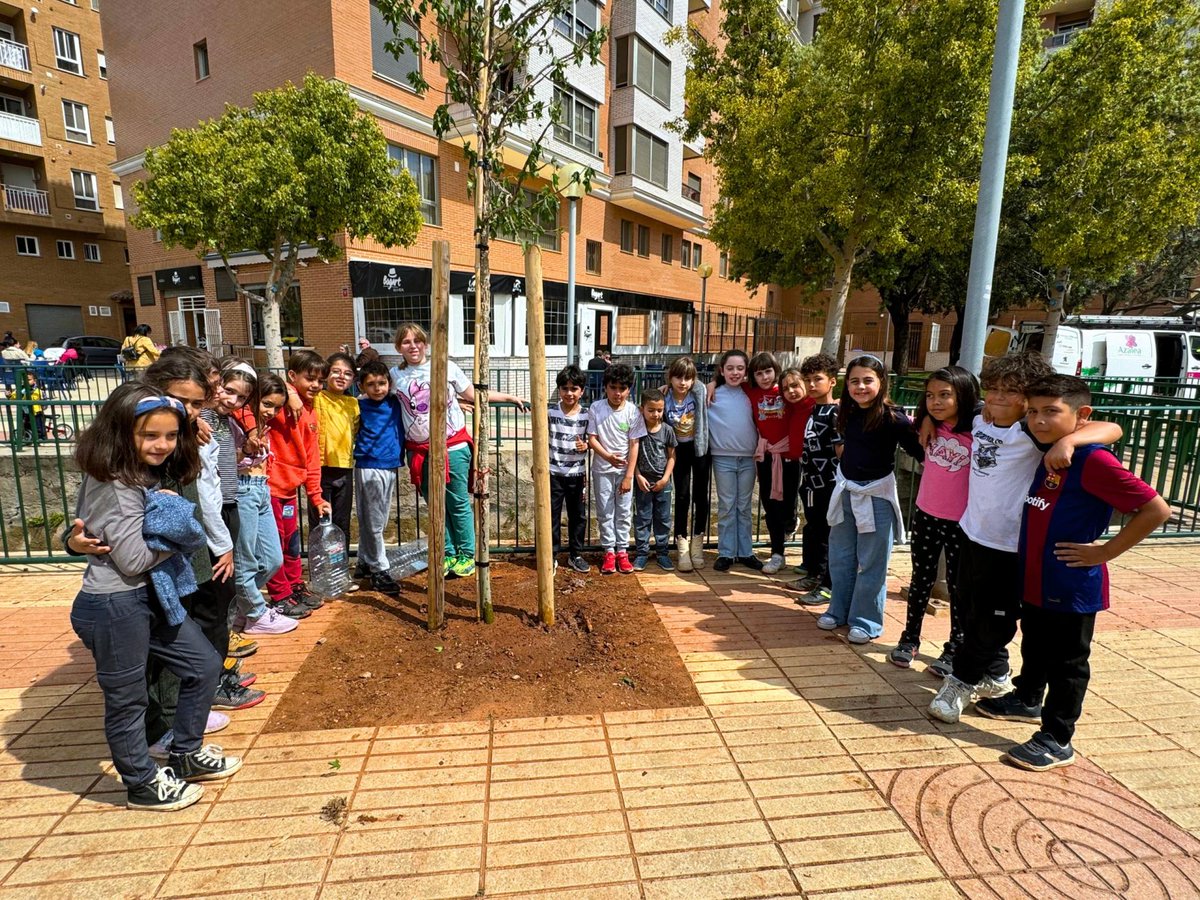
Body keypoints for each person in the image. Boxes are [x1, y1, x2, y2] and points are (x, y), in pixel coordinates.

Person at [976, 376, 1169, 770]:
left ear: (1081, 416)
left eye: (1051, 412)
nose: (1039, 420)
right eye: (1033, 411)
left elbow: (1156, 509)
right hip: (1035, 577)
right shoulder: (1047, 450)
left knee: (1068, 662)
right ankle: (1027, 698)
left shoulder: (1093, 460)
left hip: (1071, 583)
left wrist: (1106, 551)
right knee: (1035, 644)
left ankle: (1058, 738)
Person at [69, 382, 240, 811]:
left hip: (152, 597)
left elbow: (84, 529)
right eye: (150, 435)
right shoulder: (113, 481)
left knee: (203, 665)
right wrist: (183, 532)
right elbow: (131, 558)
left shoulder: (138, 474)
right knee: (128, 699)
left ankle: (184, 752)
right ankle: (141, 782)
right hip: (115, 604)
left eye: (169, 435)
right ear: (121, 432)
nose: (162, 445)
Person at [929, 353, 1124, 724]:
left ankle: (962, 680)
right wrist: (926, 418)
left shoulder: (1032, 432)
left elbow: (1111, 427)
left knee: (993, 620)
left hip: (1011, 545)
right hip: (974, 534)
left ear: (1027, 399)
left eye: (1010, 392)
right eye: (994, 390)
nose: (998, 398)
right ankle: (996, 675)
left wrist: (1069, 443)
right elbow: (944, 410)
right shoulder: (981, 419)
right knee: (970, 611)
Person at [391, 323, 527, 577]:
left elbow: (473, 394)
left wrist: (509, 397)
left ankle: (466, 553)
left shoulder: (446, 367)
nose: (413, 346)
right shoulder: (394, 376)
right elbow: (374, 395)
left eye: (417, 341)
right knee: (435, 505)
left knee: (457, 502)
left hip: (452, 446)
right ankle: (447, 553)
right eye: (407, 342)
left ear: (426, 344)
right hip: (419, 451)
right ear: (399, 347)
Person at [816, 355, 924, 644]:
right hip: (847, 492)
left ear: (881, 382)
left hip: (876, 495)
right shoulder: (846, 413)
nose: (861, 386)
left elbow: (921, 451)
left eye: (868, 380)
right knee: (841, 557)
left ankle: (866, 620)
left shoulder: (895, 418)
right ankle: (838, 610)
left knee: (872, 562)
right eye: (854, 381)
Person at [889, 366, 979, 673]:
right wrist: (926, 418)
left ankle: (955, 647)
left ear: (963, 395)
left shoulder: (979, 430)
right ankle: (909, 637)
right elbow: (898, 417)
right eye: (930, 396)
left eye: (944, 395)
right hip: (927, 515)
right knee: (921, 579)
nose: (935, 402)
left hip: (961, 522)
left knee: (958, 586)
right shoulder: (927, 427)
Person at [267, 350, 332, 615]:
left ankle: (294, 585)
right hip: (270, 487)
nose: (315, 385)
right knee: (274, 545)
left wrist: (315, 495)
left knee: (291, 543)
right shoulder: (281, 404)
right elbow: (259, 385)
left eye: (320, 380)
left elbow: (312, 457)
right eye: (310, 379)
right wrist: (289, 392)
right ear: (293, 377)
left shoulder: (312, 411)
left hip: (290, 491)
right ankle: (279, 594)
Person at [231, 373, 292, 634]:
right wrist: (245, 449)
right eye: (267, 404)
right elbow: (224, 462)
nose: (272, 411)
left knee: (271, 561)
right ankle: (255, 613)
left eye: (277, 407)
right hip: (243, 490)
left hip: (261, 488)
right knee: (245, 560)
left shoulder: (261, 427)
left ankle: (238, 609)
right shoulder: (235, 422)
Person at [787, 354, 840, 604]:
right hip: (809, 483)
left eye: (817, 379)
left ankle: (829, 584)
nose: (811, 384)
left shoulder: (836, 413)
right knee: (816, 529)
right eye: (807, 379)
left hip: (829, 485)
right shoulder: (813, 410)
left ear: (832, 382)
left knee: (829, 534)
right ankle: (815, 573)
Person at [588, 362, 645, 575]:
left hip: (624, 473)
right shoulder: (596, 408)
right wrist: (608, 457)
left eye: (623, 388)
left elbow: (634, 444)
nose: (617, 393)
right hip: (602, 469)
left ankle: (623, 550)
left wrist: (629, 475)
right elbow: (592, 439)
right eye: (613, 387)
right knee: (605, 511)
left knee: (623, 512)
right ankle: (609, 551)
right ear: (605, 387)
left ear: (629, 389)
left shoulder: (633, 412)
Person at [354, 360, 406, 594]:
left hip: (389, 465)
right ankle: (379, 569)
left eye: (382, 383)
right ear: (362, 386)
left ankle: (365, 560)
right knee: (374, 521)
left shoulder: (395, 402)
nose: (378, 388)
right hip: (369, 465)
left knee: (377, 520)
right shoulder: (359, 405)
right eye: (371, 384)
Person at [707, 350, 761, 572]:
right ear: (722, 370)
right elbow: (683, 392)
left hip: (748, 458)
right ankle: (726, 552)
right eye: (730, 368)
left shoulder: (751, 393)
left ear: (746, 371)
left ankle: (745, 551)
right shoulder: (712, 394)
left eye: (740, 368)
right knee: (727, 505)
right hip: (723, 458)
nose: (735, 372)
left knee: (744, 506)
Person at [313, 352, 360, 578]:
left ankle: (340, 570)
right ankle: (320, 572)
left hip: (344, 469)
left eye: (348, 374)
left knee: (342, 523)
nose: (342, 377)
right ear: (326, 374)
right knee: (320, 523)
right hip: (319, 469)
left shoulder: (353, 404)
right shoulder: (317, 398)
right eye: (336, 371)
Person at [662, 356, 709, 572]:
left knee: (701, 496)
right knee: (682, 497)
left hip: (699, 449)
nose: (683, 382)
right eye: (678, 377)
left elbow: (711, 382)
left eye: (688, 378)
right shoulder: (665, 397)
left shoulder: (698, 393)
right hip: (678, 451)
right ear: (670, 378)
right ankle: (681, 544)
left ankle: (697, 542)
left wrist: (713, 382)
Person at [549, 364, 590, 574]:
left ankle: (576, 555)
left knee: (578, 516)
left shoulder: (586, 415)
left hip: (577, 474)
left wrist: (586, 445)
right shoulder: (550, 412)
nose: (569, 393)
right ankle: (551, 555)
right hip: (553, 473)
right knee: (552, 515)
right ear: (559, 390)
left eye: (574, 389)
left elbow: (591, 440)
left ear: (581, 391)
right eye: (564, 388)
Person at [633, 388, 678, 571]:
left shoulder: (667, 430)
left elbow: (672, 456)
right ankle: (642, 553)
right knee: (642, 518)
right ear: (642, 409)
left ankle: (662, 553)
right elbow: (632, 455)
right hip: (643, 481)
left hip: (663, 482)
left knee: (663, 518)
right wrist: (637, 475)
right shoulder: (638, 429)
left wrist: (666, 478)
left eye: (659, 410)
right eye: (651, 410)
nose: (655, 414)